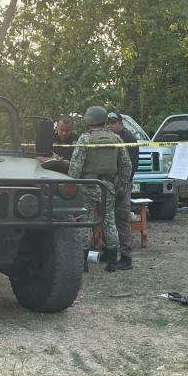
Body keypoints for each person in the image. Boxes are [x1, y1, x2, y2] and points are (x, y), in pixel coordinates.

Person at [67, 106, 132, 272]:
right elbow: (126, 165)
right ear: (103, 120)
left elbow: (75, 165)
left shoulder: (85, 139)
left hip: (87, 186)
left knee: (85, 222)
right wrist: (122, 184)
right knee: (109, 221)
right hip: (108, 186)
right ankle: (112, 263)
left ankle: (83, 264)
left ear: (88, 121)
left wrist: (71, 185)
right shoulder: (117, 139)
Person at [106, 112, 139, 270]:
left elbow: (131, 166)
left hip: (123, 185)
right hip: (110, 183)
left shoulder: (129, 139)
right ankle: (110, 252)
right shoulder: (109, 138)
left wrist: (121, 184)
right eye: (108, 123)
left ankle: (126, 258)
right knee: (108, 220)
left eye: (113, 122)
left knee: (122, 220)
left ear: (120, 123)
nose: (110, 125)